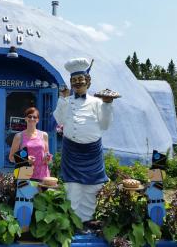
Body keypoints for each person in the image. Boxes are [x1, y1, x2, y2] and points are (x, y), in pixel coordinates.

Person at [53, 58, 114, 232]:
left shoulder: (97, 102)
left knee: (92, 187)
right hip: (71, 151)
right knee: (72, 187)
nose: (78, 84)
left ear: (88, 81)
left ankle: (88, 221)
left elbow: (105, 125)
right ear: (71, 83)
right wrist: (63, 99)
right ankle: (73, 222)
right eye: (75, 81)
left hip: (92, 152)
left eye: (81, 81)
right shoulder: (67, 101)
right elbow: (59, 119)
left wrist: (108, 105)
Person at [9, 107, 51, 181]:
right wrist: (25, 159)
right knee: (26, 192)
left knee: (42, 193)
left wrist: (47, 158)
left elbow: (47, 154)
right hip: (24, 175)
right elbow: (11, 157)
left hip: (42, 174)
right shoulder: (19, 136)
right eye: (29, 116)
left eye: (34, 117)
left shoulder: (44, 135)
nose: (32, 119)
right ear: (25, 118)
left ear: (37, 120)